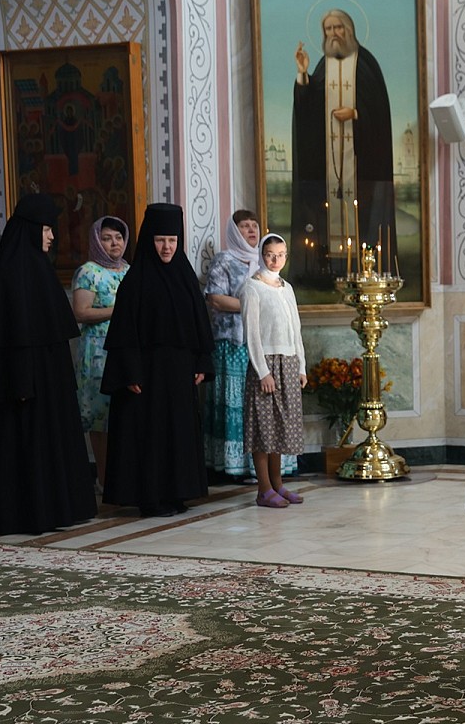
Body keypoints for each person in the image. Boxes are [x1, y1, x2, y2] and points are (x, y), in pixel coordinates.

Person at [0, 193, 96, 534]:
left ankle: (58, 509)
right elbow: (10, 338)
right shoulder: (11, 275)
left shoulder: (40, 270)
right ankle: (27, 514)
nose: (52, 236)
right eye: (46, 229)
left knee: (51, 442)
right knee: (23, 444)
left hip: (49, 380)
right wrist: (22, 381)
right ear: (30, 230)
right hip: (22, 383)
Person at [101, 203, 214, 518]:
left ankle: (177, 492)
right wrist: (130, 371)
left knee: (178, 431)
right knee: (150, 434)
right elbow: (124, 332)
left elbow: (199, 326)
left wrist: (202, 362)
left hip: (179, 372)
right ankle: (151, 498)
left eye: (172, 240)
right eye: (161, 240)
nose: (167, 247)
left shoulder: (185, 278)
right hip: (147, 374)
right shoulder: (135, 282)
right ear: (149, 239)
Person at [291, 9, 395, 280]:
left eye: (338, 27)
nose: (333, 33)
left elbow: (380, 113)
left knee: (363, 215)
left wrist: (356, 113)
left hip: (362, 166)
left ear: (349, 30)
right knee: (328, 212)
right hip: (328, 164)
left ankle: (366, 267)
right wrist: (303, 76)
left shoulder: (366, 63)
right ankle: (328, 269)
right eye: (328, 29)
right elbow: (307, 112)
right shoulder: (323, 66)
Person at [203, 209, 297, 480]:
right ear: (234, 231)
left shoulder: (266, 264)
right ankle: (235, 465)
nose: (251, 230)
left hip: (266, 346)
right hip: (232, 341)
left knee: (266, 410)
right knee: (239, 405)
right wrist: (256, 305)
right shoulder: (225, 260)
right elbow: (215, 298)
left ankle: (272, 473)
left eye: (254, 226)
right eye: (245, 226)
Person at [242, 234, 307, 508]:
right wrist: (262, 371)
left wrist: (301, 366)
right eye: (270, 254)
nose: (275, 259)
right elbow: (251, 333)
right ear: (262, 255)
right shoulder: (252, 287)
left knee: (280, 427)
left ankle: (278, 484)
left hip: (288, 362)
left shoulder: (286, 287)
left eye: (280, 254)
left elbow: (296, 329)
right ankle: (264, 488)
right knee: (263, 428)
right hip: (266, 364)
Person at [71, 216, 130, 491]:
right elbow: (80, 312)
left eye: (118, 237)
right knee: (100, 418)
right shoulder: (88, 271)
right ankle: (106, 481)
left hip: (125, 350)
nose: (114, 243)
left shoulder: (129, 270)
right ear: (97, 241)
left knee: (123, 416)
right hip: (97, 352)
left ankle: (125, 477)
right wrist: (118, 312)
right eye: (107, 238)